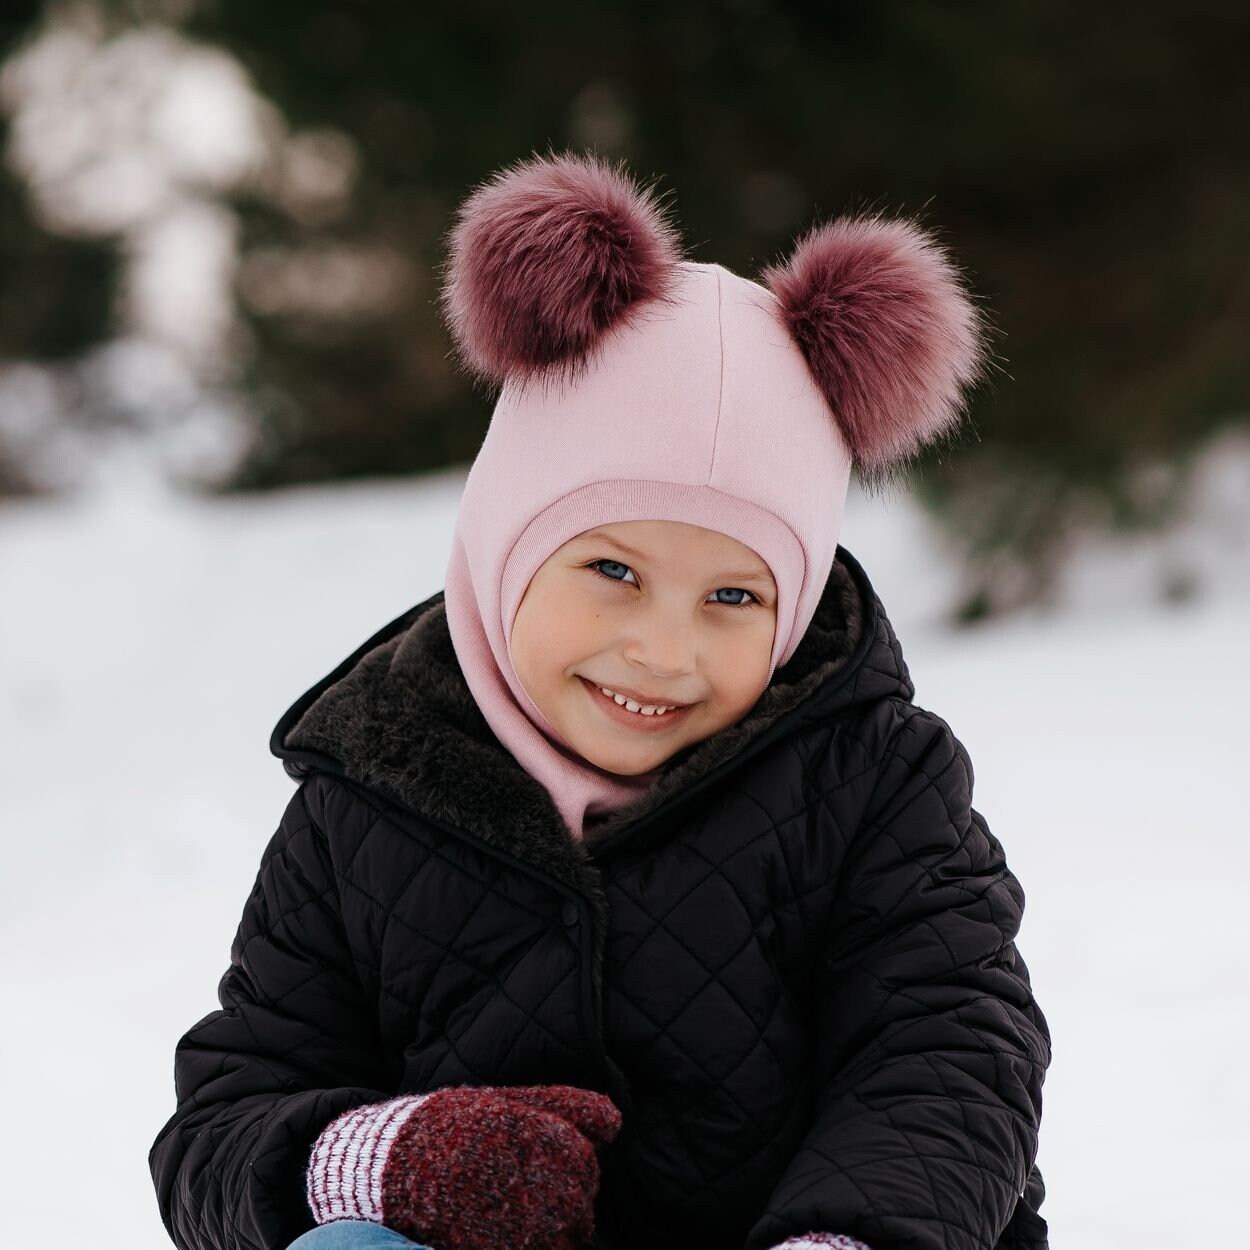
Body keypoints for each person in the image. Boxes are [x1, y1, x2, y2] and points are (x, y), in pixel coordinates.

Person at [149, 150, 1051, 1250]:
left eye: (732, 594)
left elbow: (946, 1051)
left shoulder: (869, 780)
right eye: (611, 571)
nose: (663, 649)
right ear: (506, 547)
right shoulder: (368, 795)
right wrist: (385, 1155)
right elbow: (224, 1118)